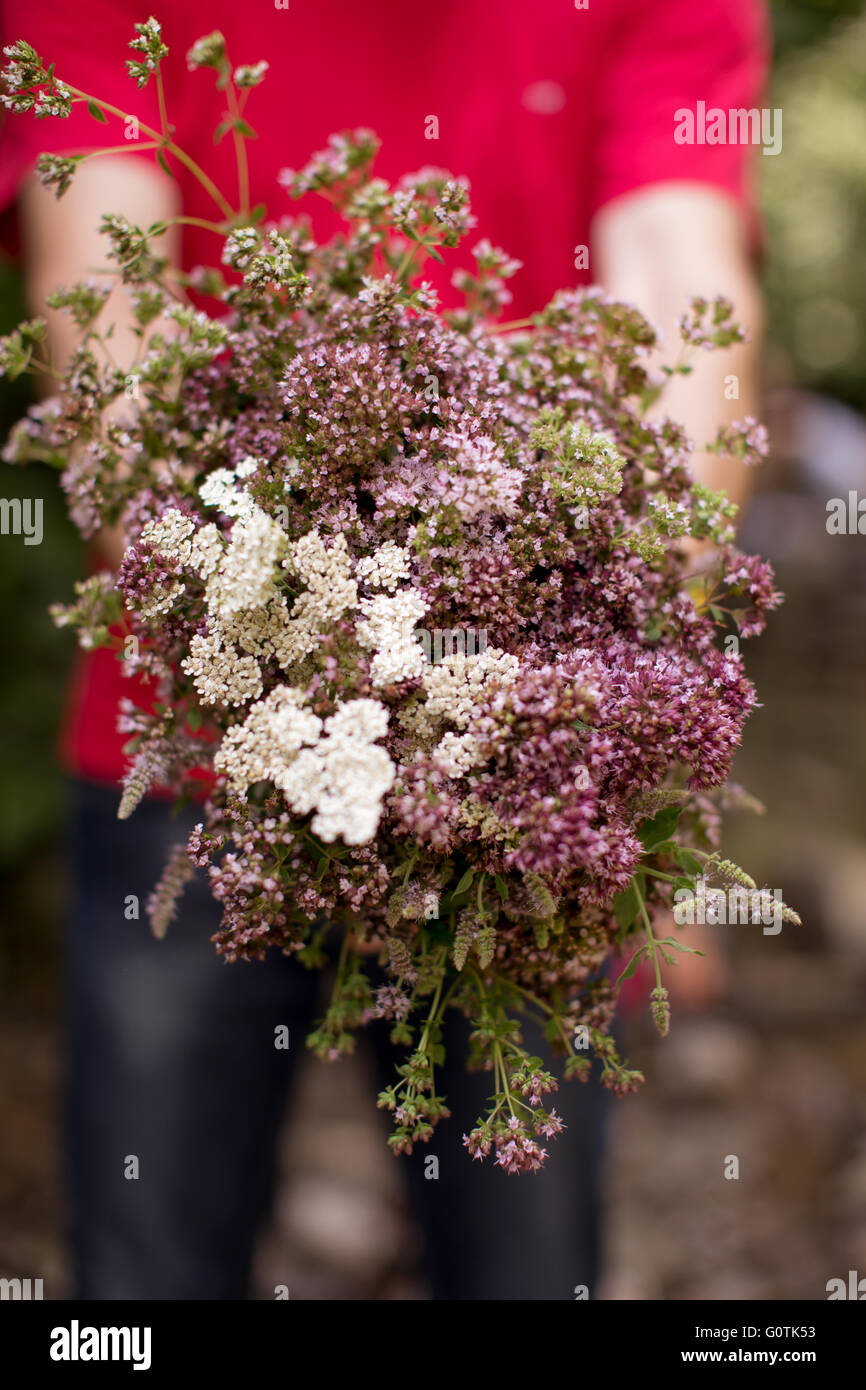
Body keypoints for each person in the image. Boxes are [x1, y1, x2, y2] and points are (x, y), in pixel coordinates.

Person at [0, 0, 769, 1299]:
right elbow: (106, 311)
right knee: (144, 1277)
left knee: (525, 1265)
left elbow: (679, 276)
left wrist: (627, 630)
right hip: (198, 746)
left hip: (525, 758)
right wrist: (276, 621)